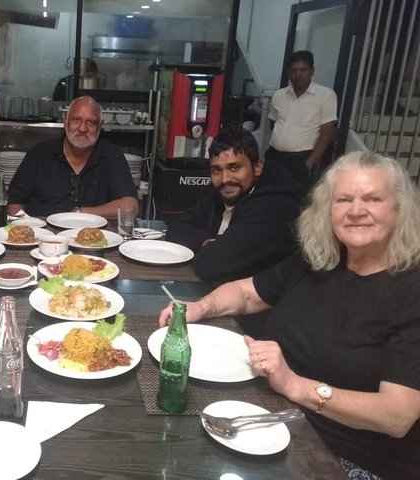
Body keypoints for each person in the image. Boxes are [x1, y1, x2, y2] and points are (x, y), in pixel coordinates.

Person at [159, 151, 420, 479]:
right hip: (272, 420)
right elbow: (246, 293)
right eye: (343, 199)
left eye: (373, 199)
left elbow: (397, 416)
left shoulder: (411, 291)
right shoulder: (319, 261)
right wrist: (200, 307)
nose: (355, 211)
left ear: (399, 208)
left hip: (345, 458)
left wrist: (295, 385)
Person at [166, 128, 303, 283]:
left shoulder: (275, 206)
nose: (225, 179)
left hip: (267, 298)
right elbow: (176, 228)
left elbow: (211, 265)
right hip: (225, 292)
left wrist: (210, 250)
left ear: (257, 167)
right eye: (217, 170)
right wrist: (206, 242)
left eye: (234, 168)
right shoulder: (223, 195)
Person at [7, 96, 138, 219]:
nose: (82, 128)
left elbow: (131, 207)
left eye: (90, 122)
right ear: (66, 122)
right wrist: (24, 229)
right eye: (76, 120)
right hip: (43, 233)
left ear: (100, 127)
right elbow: (14, 202)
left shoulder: (112, 155)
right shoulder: (40, 153)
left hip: (94, 233)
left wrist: (79, 213)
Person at [266, 50, 337, 190]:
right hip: (274, 157)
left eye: (303, 70)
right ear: (288, 72)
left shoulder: (325, 96)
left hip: (301, 160)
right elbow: (273, 124)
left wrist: (309, 164)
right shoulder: (279, 95)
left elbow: (327, 133)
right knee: (270, 193)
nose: (298, 74)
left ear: (312, 71)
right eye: (293, 70)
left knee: (296, 197)